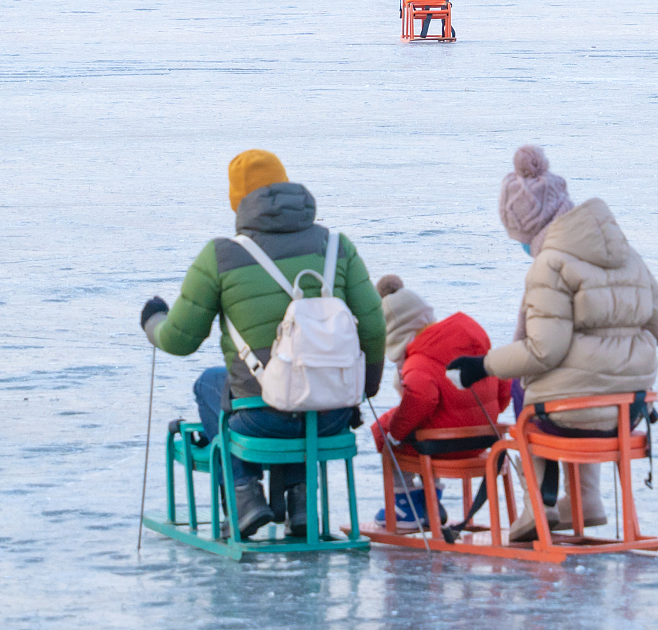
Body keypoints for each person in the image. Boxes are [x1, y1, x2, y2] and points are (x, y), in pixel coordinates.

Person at [139, 150, 386, 540]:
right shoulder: (337, 246)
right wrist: (365, 389)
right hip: (333, 415)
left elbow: (178, 340)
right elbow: (373, 325)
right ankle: (301, 500)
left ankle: (244, 493)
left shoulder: (219, 256)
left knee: (211, 383)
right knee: (303, 386)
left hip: (261, 418)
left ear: (237, 202)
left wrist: (152, 320)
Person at [456, 146, 658, 542]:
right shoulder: (629, 256)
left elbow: (543, 350)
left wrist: (482, 364)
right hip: (631, 408)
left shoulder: (550, 263)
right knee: (577, 384)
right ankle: (585, 500)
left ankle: (538, 504)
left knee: (526, 393)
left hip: (574, 412)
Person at [370, 276, 509, 531]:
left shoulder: (419, 360)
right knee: (417, 421)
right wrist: (487, 413)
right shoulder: (470, 334)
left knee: (386, 429)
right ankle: (429, 499)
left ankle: (407, 504)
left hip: (447, 445)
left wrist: (395, 431)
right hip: (485, 437)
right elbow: (503, 381)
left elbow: (421, 399)